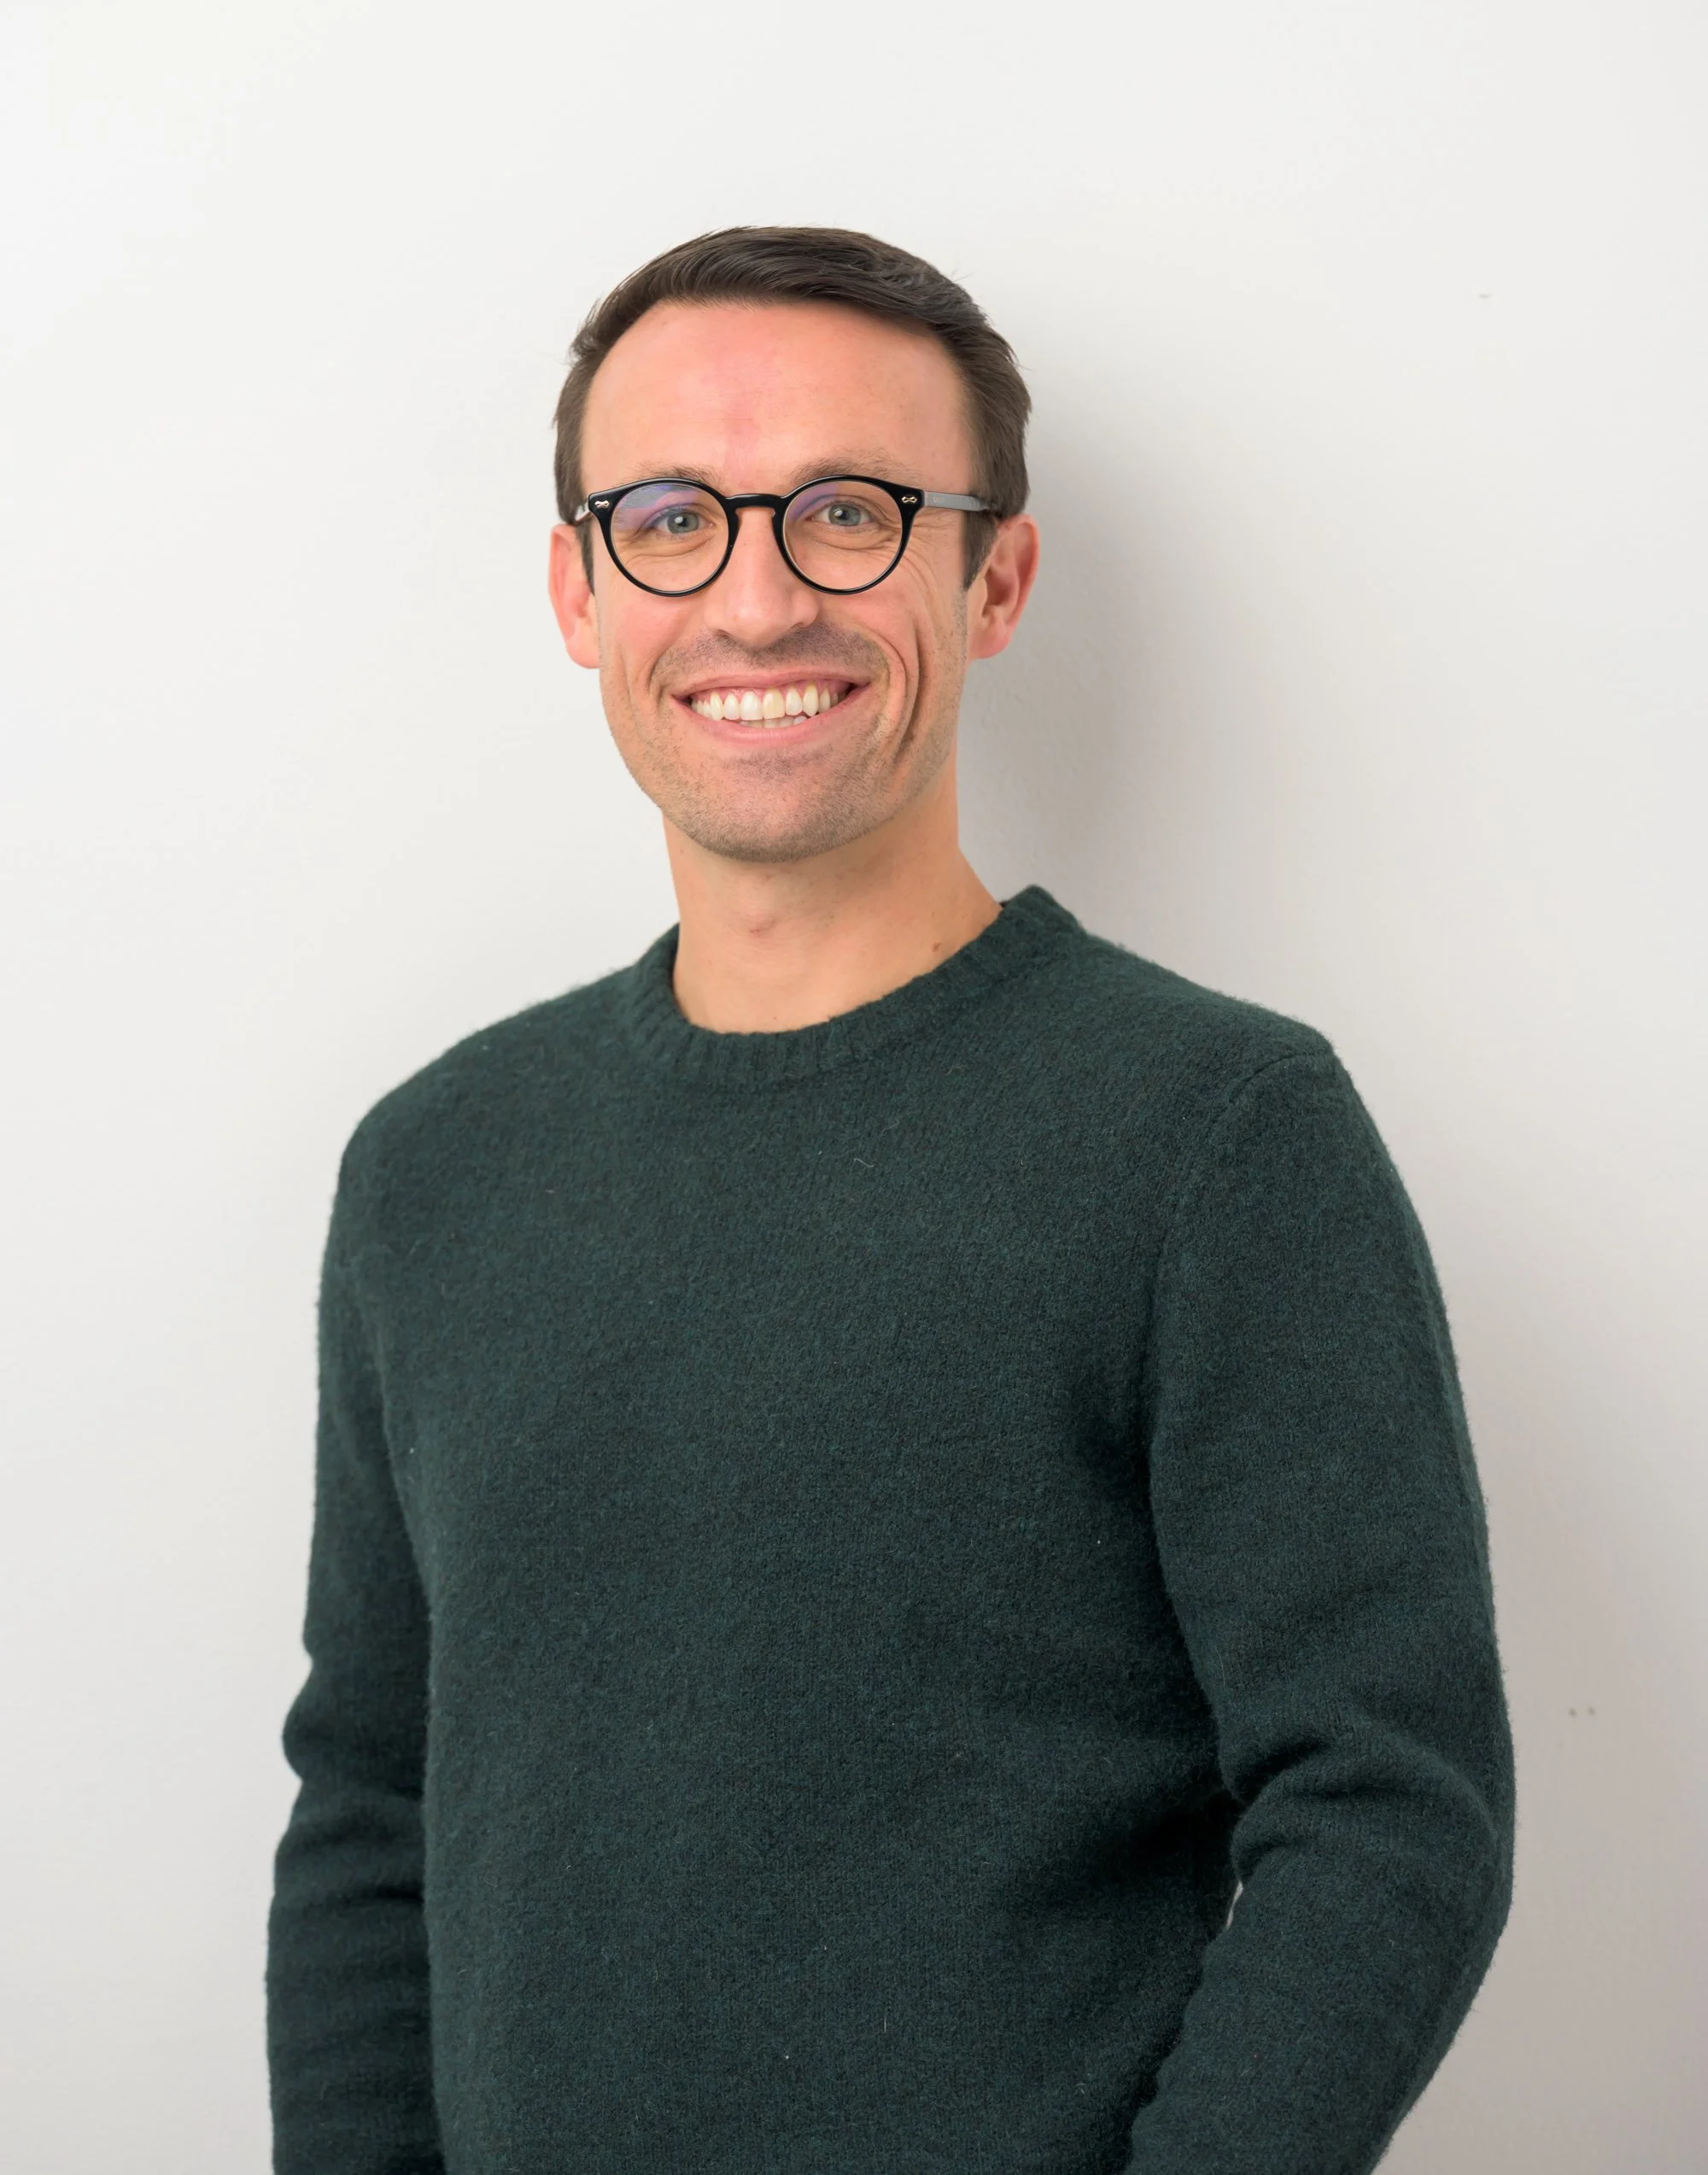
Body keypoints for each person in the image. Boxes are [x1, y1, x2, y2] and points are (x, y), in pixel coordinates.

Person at [266, 225, 1514, 2175]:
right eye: (669, 517)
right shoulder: (434, 1166)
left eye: (848, 512)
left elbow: (1389, 1804)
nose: (757, 599)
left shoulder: (1214, 1132)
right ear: (578, 593)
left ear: (992, 574)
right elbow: (368, 1807)